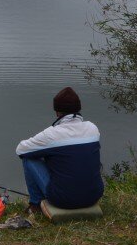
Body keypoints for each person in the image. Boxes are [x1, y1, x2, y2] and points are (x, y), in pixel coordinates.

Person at [16, 87, 103, 215]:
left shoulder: (51, 134)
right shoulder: (93, 129)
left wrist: (45, 152)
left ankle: (35, 205)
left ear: (57, 112)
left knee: (29, 158)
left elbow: (21, 150)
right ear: (78, 108)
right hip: (94, 196)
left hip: (62, 200)